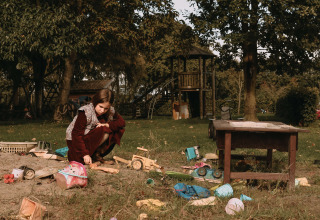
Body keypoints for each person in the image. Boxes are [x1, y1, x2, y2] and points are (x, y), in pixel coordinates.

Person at [66, 89, 125, 165]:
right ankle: (86, 156)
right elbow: (76, 135)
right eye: (100, 106)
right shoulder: (85, 111)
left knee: (117, 129)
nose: (102, 110)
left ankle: (96, 155)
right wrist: (85, 154)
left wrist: (107, 124)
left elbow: (122, 123)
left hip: (91, 139)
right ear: (96, 102)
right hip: (75, 142)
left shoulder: (110, 111)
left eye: (106, 108)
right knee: (104, 130)